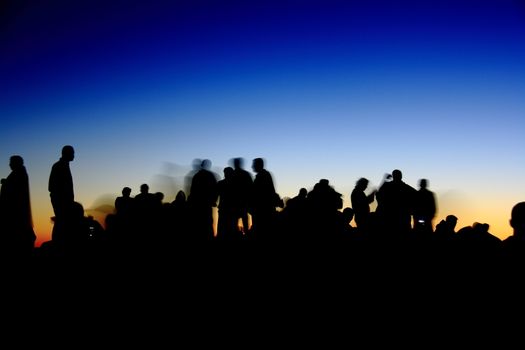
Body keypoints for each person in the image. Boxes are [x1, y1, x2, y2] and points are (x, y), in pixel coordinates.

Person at [0, 155, 36, 255]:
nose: (9, 164)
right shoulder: (19, 173)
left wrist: (6, 183)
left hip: (16, 214)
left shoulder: (19, 173)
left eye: (11, 162)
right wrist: (6, 182)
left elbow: (14, 192)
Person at [49, 145, 75, 221]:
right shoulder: (59, 166)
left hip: (66, 203)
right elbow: (51, 187)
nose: (73, 155)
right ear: (67, 153)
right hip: (62, 204)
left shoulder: (64, 166)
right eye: (72, 153)